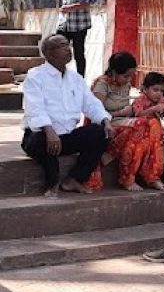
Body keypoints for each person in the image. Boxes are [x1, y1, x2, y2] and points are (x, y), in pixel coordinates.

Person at [21, 34, 114, 195]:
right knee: (38, 141)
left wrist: (105, 120)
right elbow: (34, 107)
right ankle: (52, 183)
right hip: (42, 135)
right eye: (62, 46)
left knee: (100, 133)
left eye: (67, 44)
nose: (68, 48)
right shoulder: (35, 76)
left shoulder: (75, 78)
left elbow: (90, 103)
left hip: (66, 137)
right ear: (49, 53)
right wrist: (49, 131)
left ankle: (74, 179)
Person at [85, 53, 164, 192]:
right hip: (105, 124)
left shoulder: (126, 84)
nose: (129, 80)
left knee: (153, 124)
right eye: (126, 76)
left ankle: (152, 175)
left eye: (131, 76)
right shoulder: (102, 85)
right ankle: (127, 178)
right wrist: (119, 114)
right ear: (114, 72)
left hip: (122, 121)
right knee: (140, 126)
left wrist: (131, 111)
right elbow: (95, 112)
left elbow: (128, 109)